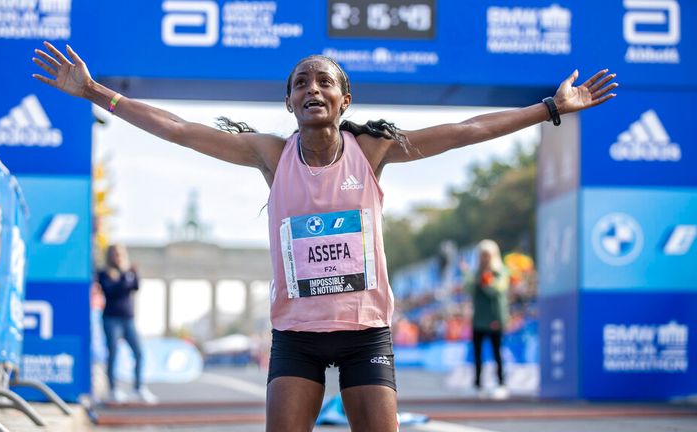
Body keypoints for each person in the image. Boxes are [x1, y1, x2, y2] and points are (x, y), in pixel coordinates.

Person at [32, 41, 616, 431]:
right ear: (288, 101)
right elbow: (182, 131)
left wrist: (549, 109)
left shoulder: (374, 150)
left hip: (366, 335)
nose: (313, 89)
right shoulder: (270, 154)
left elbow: (465, 130)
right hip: (296, 336)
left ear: (344, 99)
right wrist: (95, 94)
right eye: (301, 83)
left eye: (325, 83)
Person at [96, 244, 157, 404]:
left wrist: (134, 274)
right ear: (110, 256)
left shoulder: (127, 273)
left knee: (138, 352)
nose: (119, 257)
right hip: (111, 318)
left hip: (128, 318)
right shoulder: (104, 273)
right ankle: (113, 389)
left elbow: (134, 287)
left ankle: (138, 387)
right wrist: (125, 277)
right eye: (115, 254)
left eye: (121, 254)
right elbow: (113, 290)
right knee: (113, 353)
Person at [464, 239, 510, 399]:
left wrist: (486, 281)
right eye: (482, 255)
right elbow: (468, 289)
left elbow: (497, 290)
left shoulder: (501, 272)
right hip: (479, 319)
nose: (484, 258)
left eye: (487, 255)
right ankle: (477, 384)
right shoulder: (475, 273)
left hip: (495, 318)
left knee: (497, 352)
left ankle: (501, 383)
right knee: (477, 354)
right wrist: (471, 277)